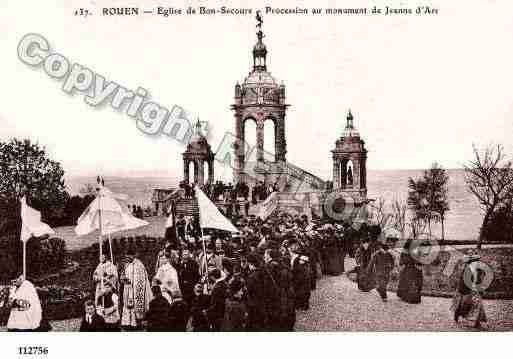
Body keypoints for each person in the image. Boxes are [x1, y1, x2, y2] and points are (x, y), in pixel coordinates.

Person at [451, 254, 488, 329]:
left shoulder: (478, 269)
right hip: (466, 291)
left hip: (474, 291)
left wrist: (480, 288)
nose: (478, 262)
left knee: (478, 305)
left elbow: (479, 280)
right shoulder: (467, 270)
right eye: (476, 261)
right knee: (462, 305)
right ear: (471, 262)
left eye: (478, 261)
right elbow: (463, 283)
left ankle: (477, 322)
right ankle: (457, 315)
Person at [121, 249, 153, 330]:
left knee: (135, 306)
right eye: (126, 257)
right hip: (127, 289)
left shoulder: (139, 265)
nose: (127, 258)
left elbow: (141, 279)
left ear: (133, 256)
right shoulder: (127, 265)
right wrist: (123, 278)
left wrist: (131, 281)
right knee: (127, 306)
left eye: (129, 257)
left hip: (135, 290)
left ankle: (137, 323)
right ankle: (128, 323)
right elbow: (123, 275)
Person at [396, 239, 423, 304]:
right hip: (411, 270)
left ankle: (408, 297)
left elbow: (401, 262)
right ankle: (409, 297)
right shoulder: (411, 252)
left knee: (410, 283)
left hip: (411, 270)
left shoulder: (414, 252)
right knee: (410, 283)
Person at [245, 254, 267, 330]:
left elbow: (248, 292)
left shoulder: (251, 277)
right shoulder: (263, 273)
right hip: (263, 303)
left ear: (251, 264)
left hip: (254, 304)